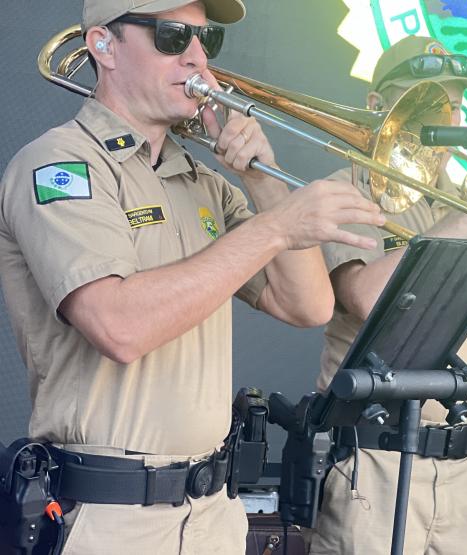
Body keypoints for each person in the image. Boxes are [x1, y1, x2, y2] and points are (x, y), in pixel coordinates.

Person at [0, 0, 385, 553]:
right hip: (112, 518)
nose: (199, 59)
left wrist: (264, 182)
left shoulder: (203, 182)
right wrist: (276, 227)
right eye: (174, 37)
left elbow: (307, 306)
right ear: (104, 46)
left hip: (211, 513)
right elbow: (118, 326)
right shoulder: (60, 166)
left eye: (207, 40)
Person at [308, 36, 467, 554]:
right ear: (378, 105)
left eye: (456, 107)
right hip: (376, 462)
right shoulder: (348, 187)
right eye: (430, 103)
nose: (448, 120)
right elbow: (367, 298)